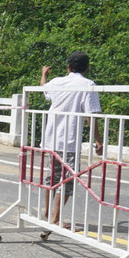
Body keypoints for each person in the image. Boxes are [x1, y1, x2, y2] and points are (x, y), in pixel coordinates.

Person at [40, 51, 102, 226]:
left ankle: (46, 210)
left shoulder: (57, 81)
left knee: (51, 176)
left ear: (68, 67)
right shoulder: (88, 84)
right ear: (87, 67)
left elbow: (43, 87)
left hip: (51, 138)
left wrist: (44, 74)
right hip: (70, 141)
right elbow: (91, 116)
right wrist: (97, 140)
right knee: (67, 179)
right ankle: (55, 217)